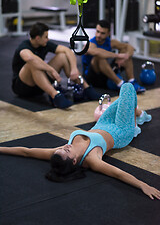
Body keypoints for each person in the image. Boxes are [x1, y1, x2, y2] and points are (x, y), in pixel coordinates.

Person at [1, 83, 159, 200]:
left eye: (63, 147)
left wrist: (1, 149)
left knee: (123, 102)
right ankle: (134, 126)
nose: (66, 146)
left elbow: (26, 152)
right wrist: (143, 185)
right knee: (127, 88)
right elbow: (118, 174)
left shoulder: (60, 154)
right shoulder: (92, 159)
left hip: (103, 123)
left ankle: (139, 115)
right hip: (121, 131)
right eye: (67, 150)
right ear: (75, 160)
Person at [12, 22, 100, 109]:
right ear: (38, 38)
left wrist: (74, 68)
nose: (48, 39)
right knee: (33, 64)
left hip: (39, 85)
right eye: (46, 37)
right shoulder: (24, 46)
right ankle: (56, 96)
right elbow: (30, 58)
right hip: (22, 87)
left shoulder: (44, 44)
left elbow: (67, 50)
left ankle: (86, 88)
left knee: (62, 56)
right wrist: (51, 70)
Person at [82, 19, 146, 93]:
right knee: (99, 57)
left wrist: (126, 56)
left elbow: (129, 47)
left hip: (106, 75)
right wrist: (118, 56)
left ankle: (132, 82)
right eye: (97, 31)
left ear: (108, 33)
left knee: (125, 52)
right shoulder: (91, 44)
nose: (98, 35)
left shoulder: (111, 42)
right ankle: (120, 84)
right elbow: (97, 52)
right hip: (93, 78)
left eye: (102, 33)